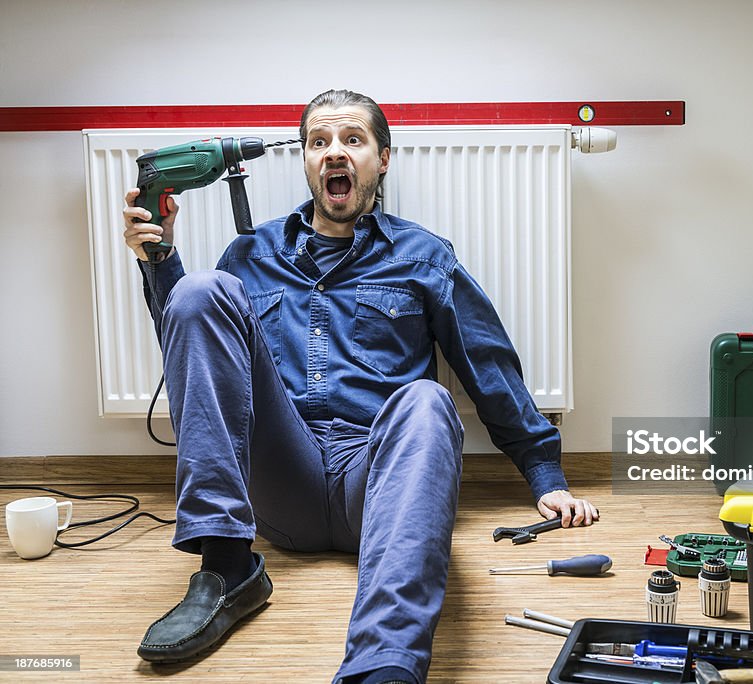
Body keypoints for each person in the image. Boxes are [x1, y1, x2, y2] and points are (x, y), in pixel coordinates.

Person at [121, 88, 598, 684]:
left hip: (376, 484)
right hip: (281, 477)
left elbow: (487, 363)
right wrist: (160, 260)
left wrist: (545, 476)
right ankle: (226, 568)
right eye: (319, 142)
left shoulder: (423, 256)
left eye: (352, 140)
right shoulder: (250, 254)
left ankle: (383, 665)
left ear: (383, 159)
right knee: (198, 290)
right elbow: (194, 356)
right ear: (305, 161)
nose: (334, 153)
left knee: (428, 400)